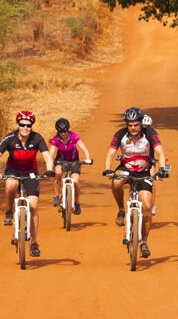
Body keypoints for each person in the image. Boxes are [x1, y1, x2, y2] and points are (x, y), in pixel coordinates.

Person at [103, 106, 168, 259]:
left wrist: (163, 169)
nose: (133, 128)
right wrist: (107, 168)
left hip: (144, 171)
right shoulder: (120, 134)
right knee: (117, 182)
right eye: (130, 124)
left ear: (141, 124)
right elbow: (111, 152)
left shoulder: (149, 134)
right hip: (125, 168)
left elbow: (160, 151)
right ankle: (120, 209)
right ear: (126, 124)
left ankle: (144, 241)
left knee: (146, 205)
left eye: (136, 124)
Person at [0, 110, 54, 258]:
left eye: (28, 125)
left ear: (32, 126)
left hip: (31, 172)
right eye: (22, 124)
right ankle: (9, 211)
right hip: (13, 170)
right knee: (11, 184)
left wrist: (49, 169)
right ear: (18, 125)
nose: (25, 128)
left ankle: (35, 243)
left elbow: (47, 156)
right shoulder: (10, 138)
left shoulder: (37, 138)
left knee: (34, 206)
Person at [49, 117, 92, 215]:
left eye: (65, 131)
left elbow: (83, 148)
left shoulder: (73, 136)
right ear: (58, 131)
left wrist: (87, 158)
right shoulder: (55, 139)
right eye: (61, 131)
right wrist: (49, 163)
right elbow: (51, 153)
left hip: (74, 161)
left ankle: (77, 203)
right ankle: (56, 196)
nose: (63, 133)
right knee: (58, 173)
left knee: (76, 182)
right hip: (61, 161)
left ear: (68, 129)